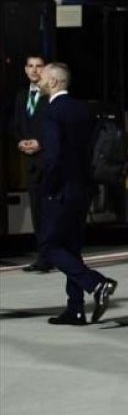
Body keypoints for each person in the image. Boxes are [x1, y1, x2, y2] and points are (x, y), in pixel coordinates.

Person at [37, 62, 118, 325]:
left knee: (49, 246)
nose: (38, 78)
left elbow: (54, 157)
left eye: (43, 75)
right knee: (72, 247)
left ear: (53, 82)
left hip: (60, 189)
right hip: (83, 188)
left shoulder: (52, 112)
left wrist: (48, 187)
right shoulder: (84, 110)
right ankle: (76, 309)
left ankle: (96, 284)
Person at [11, 55, 51, 272]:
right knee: (37, 210)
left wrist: (40, 143)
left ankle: (51, 256)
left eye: (39, 66)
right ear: (26, 70)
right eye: (30, 66)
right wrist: (20, 142)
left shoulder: (51, 95)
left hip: (48, 161)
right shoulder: (21, 96)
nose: (34, 70)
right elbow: (16, 125)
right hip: (31, 162)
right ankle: (43, 257)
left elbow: (58, 128)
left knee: (49, 211)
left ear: (45, 70)